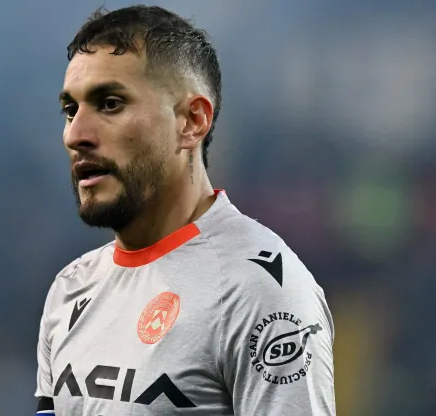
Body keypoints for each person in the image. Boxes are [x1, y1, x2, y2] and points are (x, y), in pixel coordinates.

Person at [34, 5, 336, 415]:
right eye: (71, 110)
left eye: (109, 103)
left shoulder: (260, 293)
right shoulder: (70, 289)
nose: (76, 134)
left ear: (192, 121)